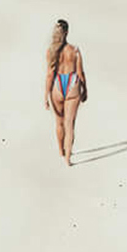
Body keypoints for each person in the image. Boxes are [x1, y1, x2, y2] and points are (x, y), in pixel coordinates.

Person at [44, 18, 88, 166]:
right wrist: (85, 89)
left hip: (57, 84)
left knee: (59, 122)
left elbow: (50, 74)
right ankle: (68, 158)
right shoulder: (74, 50)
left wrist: (46, 96)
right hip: (72, 84)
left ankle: (60, 151)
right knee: (70, 125)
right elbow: (80, 73)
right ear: (67, 32)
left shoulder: (51, 51)